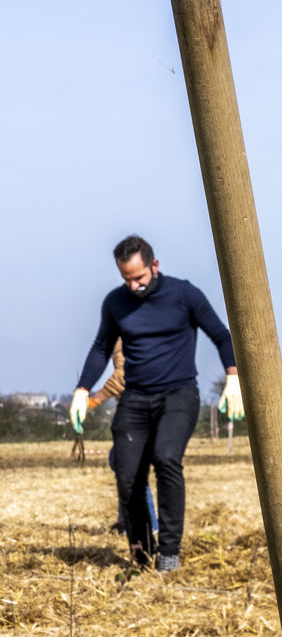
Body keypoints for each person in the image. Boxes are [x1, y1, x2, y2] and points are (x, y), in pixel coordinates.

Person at [71, 235, 242, 573]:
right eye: (126, 279)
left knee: (166, 459)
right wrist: (82, 390)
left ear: (155, 266)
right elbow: (101, 347)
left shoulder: (184, 294)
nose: (133, 286)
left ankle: (169, 554)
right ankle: (141, 554)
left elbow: (222, 336)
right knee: (127, 475)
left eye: (139, 278)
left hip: (178, 396)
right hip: (135, 398)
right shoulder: (115, 302)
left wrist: (233, 378)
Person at [85, 338, 158, 537]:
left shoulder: (122, 337)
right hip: (144, 406)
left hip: (137, 410)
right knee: (124, 466)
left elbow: (123, 374)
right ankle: (126, 520)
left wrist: (93, 400)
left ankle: (149, 524)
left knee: (129, 468)